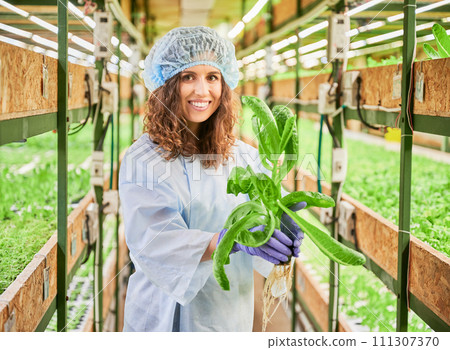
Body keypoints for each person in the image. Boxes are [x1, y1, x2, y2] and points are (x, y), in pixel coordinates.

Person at [118, 26, 306, 332]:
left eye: (212, 77)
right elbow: (155, 240)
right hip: (162, 316)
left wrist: (278, 226)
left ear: (225, 83)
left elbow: (263, 214)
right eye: (187, 77)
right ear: (166, 84)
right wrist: (231, 240)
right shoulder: (143, 159)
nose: (202, 91)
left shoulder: (243, 155)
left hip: (227, 312)